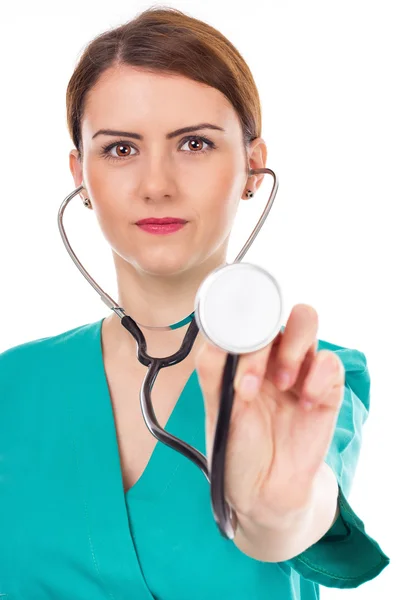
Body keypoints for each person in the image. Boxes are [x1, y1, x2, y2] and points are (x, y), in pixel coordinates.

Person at [0, 6, 390, 599]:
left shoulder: (306, 380)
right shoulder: (13, 385)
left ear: (252, 166)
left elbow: (294, 517)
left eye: (194, 143)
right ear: (80, 175)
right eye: (120, 150)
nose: (157, 183)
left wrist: (276, 512)